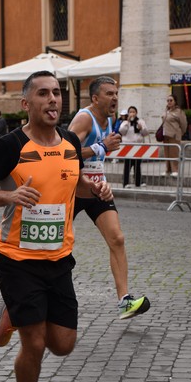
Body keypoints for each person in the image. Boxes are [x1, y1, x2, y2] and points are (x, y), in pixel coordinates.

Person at [0, 71, 113, 382]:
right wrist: (9, 196)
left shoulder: (68, 141)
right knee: (33, 342)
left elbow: (73, 181)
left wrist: (93, 187)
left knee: (62, 344)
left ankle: (11, 311)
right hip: (16, 257)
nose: (53, 100)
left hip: (59, 257)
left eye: (57, 94)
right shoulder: (9, 146)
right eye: (44, 94)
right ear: (26, 104)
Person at [68, 76, 150, 319]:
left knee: (117, 238)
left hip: (97, 188)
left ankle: (125, 301)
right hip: (73, 187)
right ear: (95, 98)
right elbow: (64, 153)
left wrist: (101, 174)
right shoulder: (85, 118)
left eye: (116, 93)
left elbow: (97, 158)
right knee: (55, 243)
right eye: (109, 93)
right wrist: (100, 147)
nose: (115, 97)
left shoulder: (111, 119)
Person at [119, 106, 149, 188]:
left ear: (136, 113)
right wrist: (127, 123)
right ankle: (125, 183)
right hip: (128, 146)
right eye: (130, 112)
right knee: (127, 165)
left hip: (137, 146)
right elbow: (122, 131)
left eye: (133, 112)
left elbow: (145, 133)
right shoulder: (125, 122)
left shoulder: (140, 121)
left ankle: (138, 182)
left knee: (137, 165)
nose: (132, 113)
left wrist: (141, 128)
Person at [160, 94, 187, 177]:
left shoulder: (179, 112)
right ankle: (168, 170)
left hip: (174, 135)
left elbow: (184, 124)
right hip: (165, 135)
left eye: (171, 100)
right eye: (168, 101)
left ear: (175, 102)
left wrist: (180, 133)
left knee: (174, 153)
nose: (169, 102)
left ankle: (175, 170)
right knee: (167, 153)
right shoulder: (166, 111)